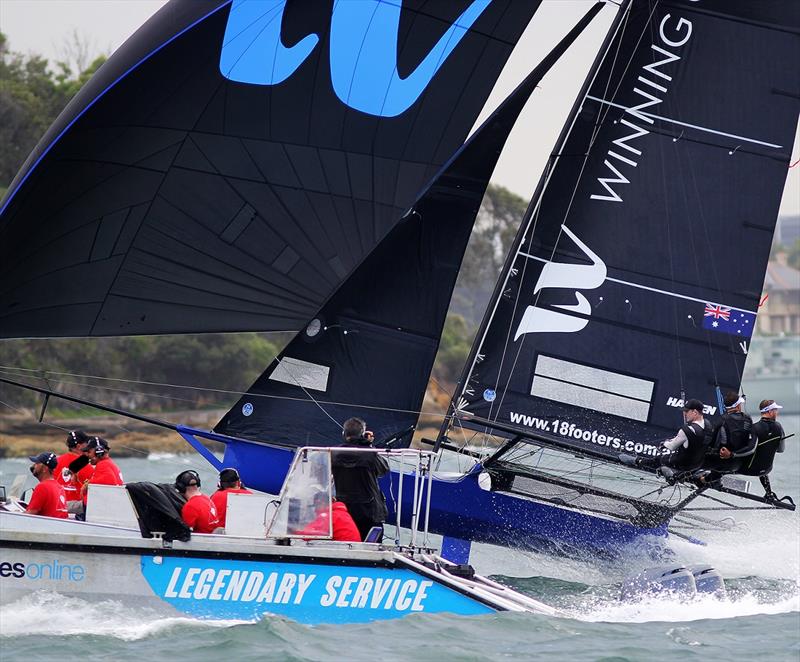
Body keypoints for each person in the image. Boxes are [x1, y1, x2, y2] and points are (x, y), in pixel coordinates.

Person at [331, 417, 389, 541]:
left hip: (345, 511)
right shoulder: (370, 454)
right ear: (363, 434)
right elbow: (383, 469)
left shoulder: (333, 453)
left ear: (344, 434)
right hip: (369, 512)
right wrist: (369, 445)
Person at [630, 399, 710, 479]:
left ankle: (638, 461)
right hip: (698, 464)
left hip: (682, 464)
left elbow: (672, 446)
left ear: (695, 412)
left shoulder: (686, 430)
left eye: (687, 411)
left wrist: (664, 444)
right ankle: (696, 477)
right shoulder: (708, 425)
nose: (684, 413)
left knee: (659, 459)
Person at [739, 400, 787, 501]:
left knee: (730, 458)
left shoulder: (754, 428)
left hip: (748, 469)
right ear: (770, 412)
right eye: (775, 410)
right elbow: (781, 450)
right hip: (766, 469)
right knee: (762, 465)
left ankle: (713, 478)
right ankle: (769, 493)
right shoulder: (779, 427)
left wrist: (732, 454)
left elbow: (748, 449)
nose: (777, 412)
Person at [53, 429, 94, 504]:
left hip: (56, 506)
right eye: (86, 443)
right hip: (75, 511)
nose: (89, 445)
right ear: (79, 446)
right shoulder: (85, 466)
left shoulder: (55, 461)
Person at [81, 436, 124, 505]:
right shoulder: (108, 463)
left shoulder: (103, 465)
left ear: (98, 452)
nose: (87, 455)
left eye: (89, 452)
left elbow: (110, 484)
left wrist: (87, 485)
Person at [25, 452, 68, 519]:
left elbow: (28, 516)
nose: (33, 466)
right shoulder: (59, 487)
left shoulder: (42, 487)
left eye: (36, 463)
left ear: (45, 469)